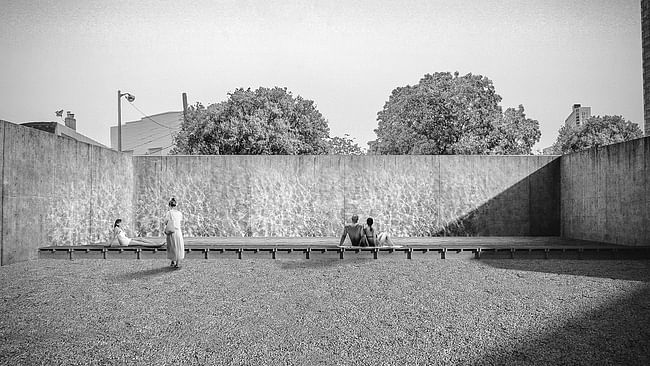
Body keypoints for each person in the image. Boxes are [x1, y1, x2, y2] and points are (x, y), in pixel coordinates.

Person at [163, 197, 184, 268]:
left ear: (169, 205)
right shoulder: (179, 213)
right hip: (178, 232)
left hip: (172, 232)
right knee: (178, 247)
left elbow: (165, 222)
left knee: (172, 247)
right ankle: (177, 263)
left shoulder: (169, 213)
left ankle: (172, 261)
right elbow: (180, 221)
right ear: (176, 205)